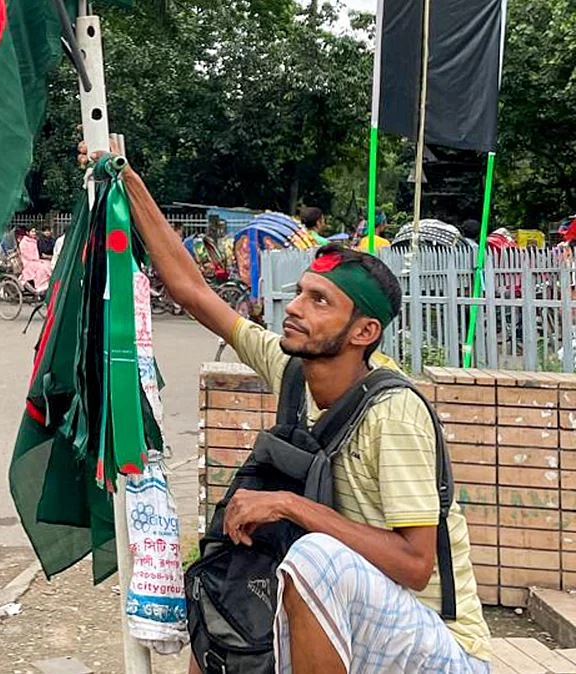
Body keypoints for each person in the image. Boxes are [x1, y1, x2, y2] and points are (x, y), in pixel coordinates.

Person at [79, 141, 491, 673]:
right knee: (229, 602)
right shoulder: (296, 368)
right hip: (351, 622)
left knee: (311, 556)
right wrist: (126, 181)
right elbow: (195, 293)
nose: (294, 308)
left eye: (320, 301)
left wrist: (290, 505)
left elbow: (414, 566)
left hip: (441, 645)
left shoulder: (394, 413)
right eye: (301, 292)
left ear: (364, 332)